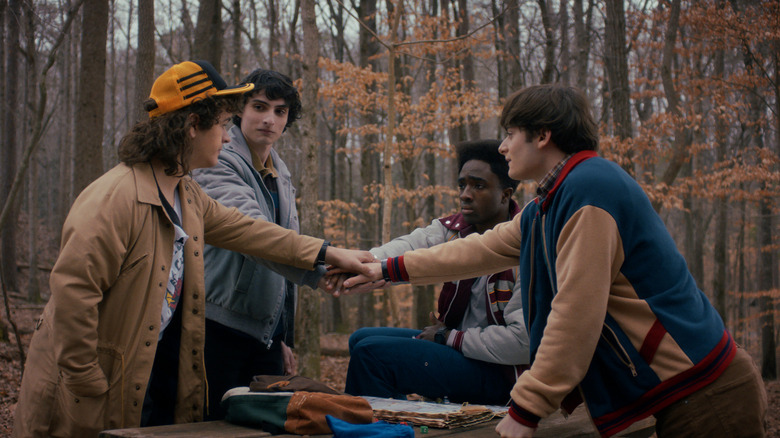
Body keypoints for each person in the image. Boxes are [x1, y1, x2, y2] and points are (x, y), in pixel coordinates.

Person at [343, 85, 767, 437]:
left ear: (542, 135)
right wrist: (385, 269)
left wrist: (527, 407)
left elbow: (575, 312)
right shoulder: (551, 203)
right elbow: (479, 249)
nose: (503, 146)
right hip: (683, 393)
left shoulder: (590, 191)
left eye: (511, 134)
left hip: (707, 393)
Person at [12, 60, 371, 438]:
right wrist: (87, 381)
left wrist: (330, 254)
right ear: (192, 126)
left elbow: (251, 232)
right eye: (222, 125)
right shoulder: (115, 198)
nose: (228, 138)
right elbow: (73, 295)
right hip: (84, 391)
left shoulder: (185, 194)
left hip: (135, 379)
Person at [344, 140, 529, 406]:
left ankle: (377, 424)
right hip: (460, 350)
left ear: (505, 194)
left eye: (478, 186)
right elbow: (408, 246)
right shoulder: (453, 230)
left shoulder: (525, 247)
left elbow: (522, 343)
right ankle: (397, 417)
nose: (465, 195)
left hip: (502, 373)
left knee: (371, 354)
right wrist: (360, 264)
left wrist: (448, 337)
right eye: (462, 185)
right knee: (360, 338)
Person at [192, 69, 320, 420]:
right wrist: (326, 264)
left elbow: (283, 264)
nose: (269, 119)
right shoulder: (217, 160)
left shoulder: (281, 172)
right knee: (214, 425)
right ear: (239, 110)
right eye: (260, 107)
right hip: (218, 326)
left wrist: (281, 335)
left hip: (264, 335)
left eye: (280, 111)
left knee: (264, 427)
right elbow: (256, 235)